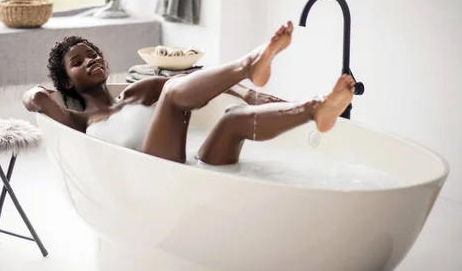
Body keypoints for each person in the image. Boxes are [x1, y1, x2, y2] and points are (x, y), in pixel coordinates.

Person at [23, 21, 355, 165]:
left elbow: (194, 79)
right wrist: (40, 94)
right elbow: (33, 98)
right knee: (171, 96)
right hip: (147, 183)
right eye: (78, 62)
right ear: (66, 82)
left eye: (93, 54)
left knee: (233, 120)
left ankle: (315, 109)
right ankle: (249, 62)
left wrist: (247, 96)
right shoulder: (82, 120)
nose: (91, 60)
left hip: (182, 172)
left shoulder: (138, 91)